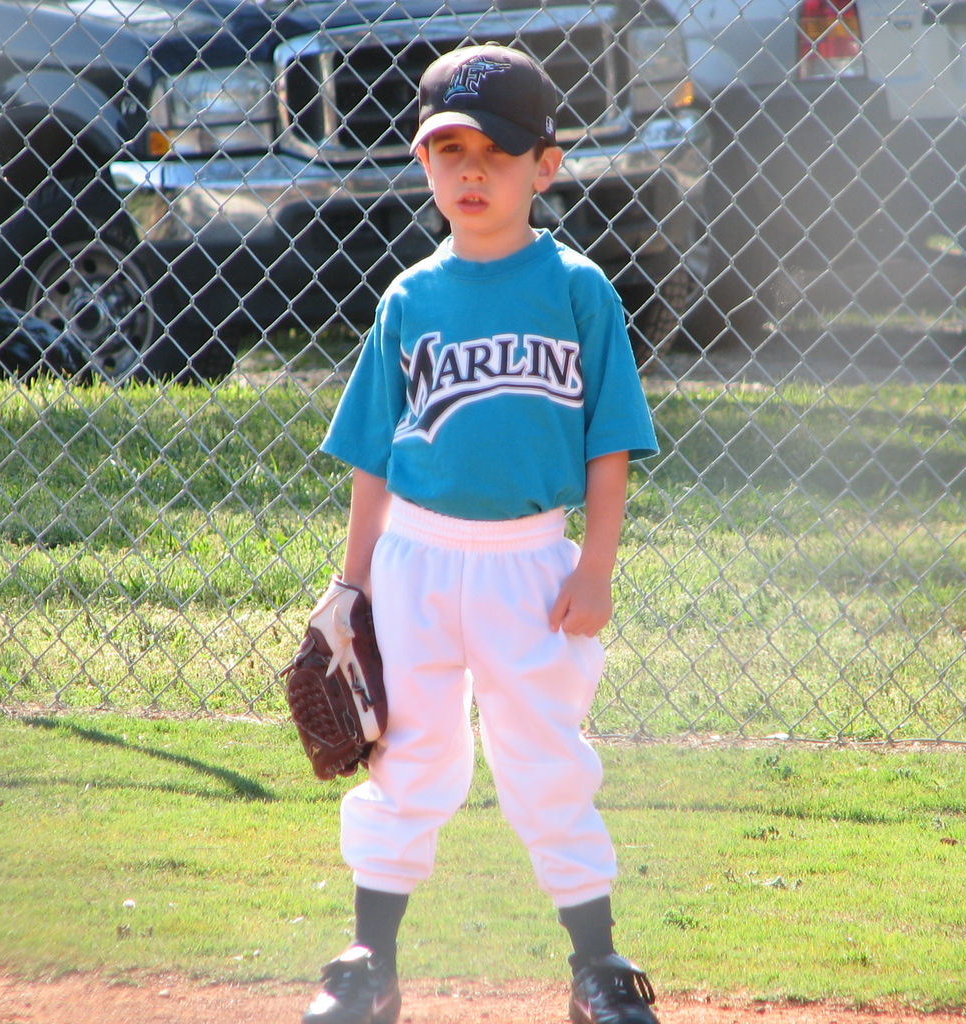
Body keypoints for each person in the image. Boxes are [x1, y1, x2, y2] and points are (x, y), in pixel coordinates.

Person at [304, 43, 661, 1024]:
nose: (469, 171)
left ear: (544, 166)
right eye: (446, 149)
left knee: (546, 755)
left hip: (531, 564)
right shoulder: (408, 299)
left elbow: (612, 444)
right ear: (421, 162)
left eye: (495, 153)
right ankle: (369, 964)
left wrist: (596, 567)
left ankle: (597, 966)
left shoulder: (580, 290)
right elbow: (375, 456)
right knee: (406, 759)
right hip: (416, 560)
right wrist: (352, 584)